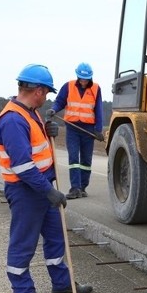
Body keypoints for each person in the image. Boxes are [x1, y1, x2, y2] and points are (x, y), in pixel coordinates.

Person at [0, 64, 93, 293]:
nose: (47, 96)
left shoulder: (31, 113)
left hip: (42, 187)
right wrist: (48, 191)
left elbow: (39, 150)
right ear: (37, 90)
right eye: (46, 92)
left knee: (56, 239)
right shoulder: (13, 120)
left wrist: (49, 131)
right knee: (23, 242)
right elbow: (23, 166)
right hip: (26, 191)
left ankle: (62, 284)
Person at [47, 62, 104, 199]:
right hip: (72, 128)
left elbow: (99, 110)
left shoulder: (96, 89)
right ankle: (75, 188)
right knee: (73, 158)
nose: (83, 81)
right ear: (77, 76)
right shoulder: (68, 86)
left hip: (88, 130)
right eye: (81, 78)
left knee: (86, 160)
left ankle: (83, 187)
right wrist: (54, 109)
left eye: (86, 79)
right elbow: (60, 101)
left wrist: (98, 129)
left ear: (90, 77)